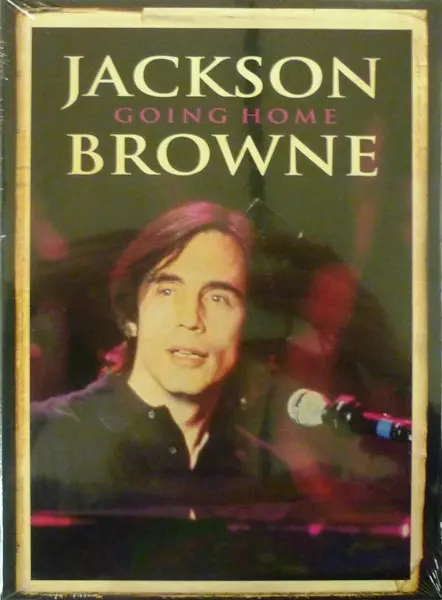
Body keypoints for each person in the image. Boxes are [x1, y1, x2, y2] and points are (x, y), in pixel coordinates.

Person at [31, 201, 298, 520]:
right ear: (131, 316)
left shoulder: (267, 477)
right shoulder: (39, 440)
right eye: (168, 291)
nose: (191, 318)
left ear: (245, 326)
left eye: (218, 297)